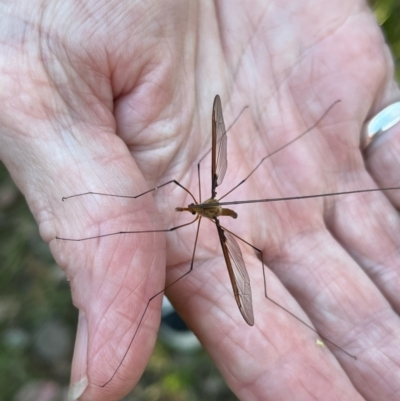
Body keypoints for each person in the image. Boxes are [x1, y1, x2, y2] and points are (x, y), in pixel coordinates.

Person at [0, 1, 399, 400]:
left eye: (193, 210)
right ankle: (169, 301)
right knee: (197, 253)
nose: (191, 211)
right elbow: (212, 140)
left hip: (221, 211)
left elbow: (218, 130)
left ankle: (171, 300)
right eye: (194, 210)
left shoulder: (211, 214)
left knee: (209, 258)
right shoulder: (200, 203)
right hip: (217, 204)